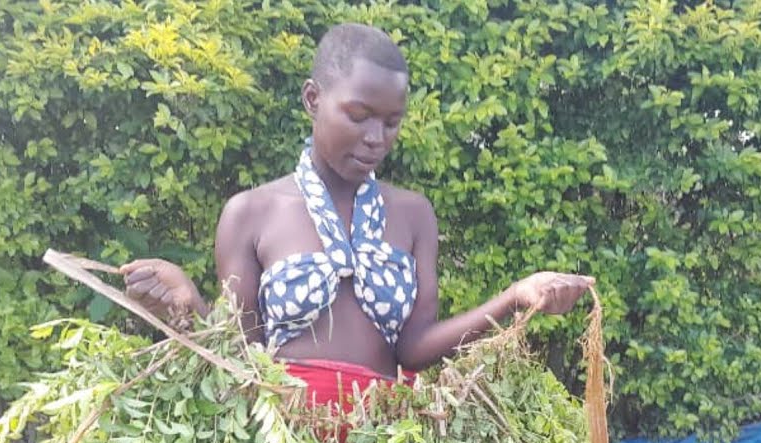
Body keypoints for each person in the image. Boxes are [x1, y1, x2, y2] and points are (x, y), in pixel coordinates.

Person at [120, 23, 593, 404]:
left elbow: (414, 349)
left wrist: (514, 296)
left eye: (391, 122)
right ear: (312, 99)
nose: (376, 138)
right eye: (358, 114)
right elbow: (240, 355)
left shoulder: (412, 215)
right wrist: (187, 305)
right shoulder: (251, 213)